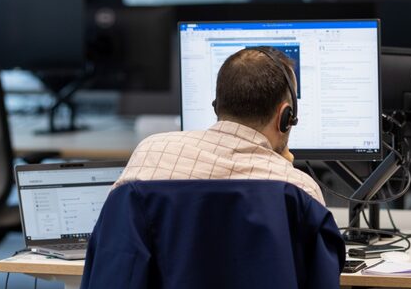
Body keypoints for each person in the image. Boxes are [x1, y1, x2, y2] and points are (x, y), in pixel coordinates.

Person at [115, 46, 324, 205]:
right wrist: (284, 169)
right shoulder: (298, 190)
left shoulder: (150, 154)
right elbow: (321, 263)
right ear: (285, 117)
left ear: (217, 106)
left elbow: (111, 246)